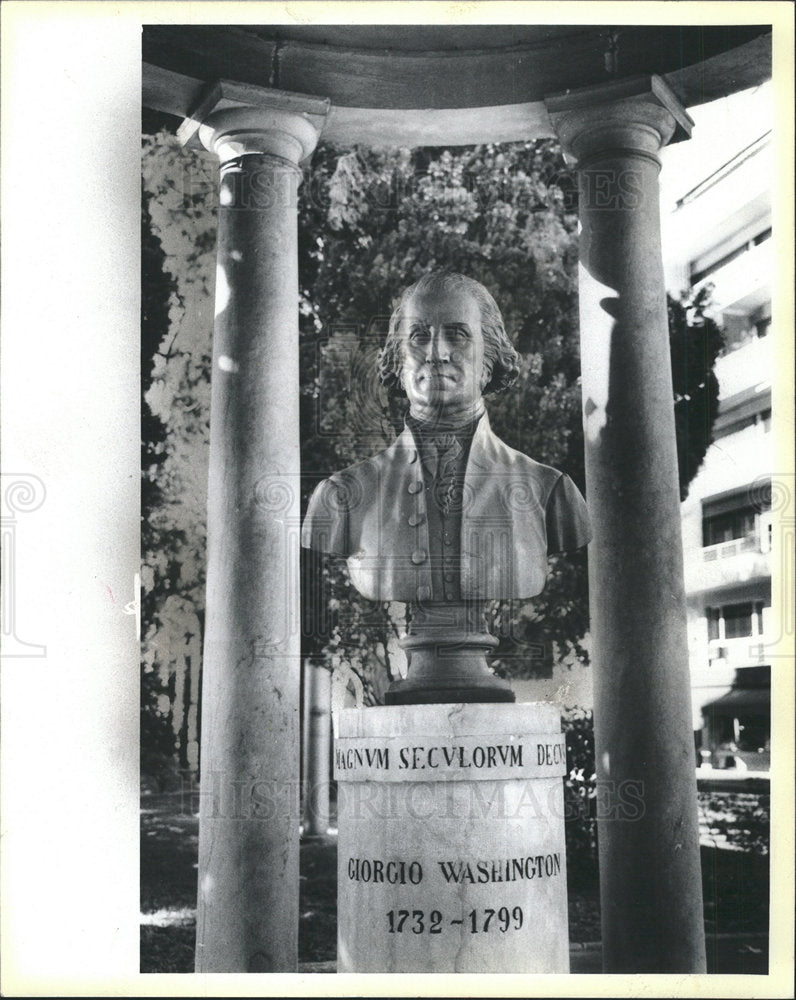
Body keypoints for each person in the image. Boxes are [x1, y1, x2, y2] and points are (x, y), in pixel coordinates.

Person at [301, 270, 591, 607]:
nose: (436, 352)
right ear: (397, 359)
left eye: (457, 335)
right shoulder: (342, 496)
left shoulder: (550, 492)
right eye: (419, 335)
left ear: (490, 356)